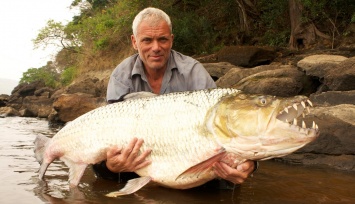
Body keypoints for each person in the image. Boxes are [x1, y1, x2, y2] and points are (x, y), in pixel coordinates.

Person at [93, 7, 257, 189]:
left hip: (188, 153)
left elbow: (225, 128)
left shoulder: (193, 71)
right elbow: (108, 132)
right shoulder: (120, 76)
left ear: (171, 40)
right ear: (134, 42)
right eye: (147, 40)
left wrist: (249, 163)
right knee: (103, 171)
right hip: (139, 157)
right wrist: (111, 165)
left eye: (162, 39)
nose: (156, 48)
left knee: (226, 181)